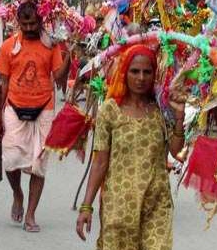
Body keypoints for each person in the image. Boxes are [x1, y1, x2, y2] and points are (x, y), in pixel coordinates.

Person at [76, 44, 188, 249]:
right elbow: (100, 162)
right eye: (134, 71)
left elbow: (175, 151)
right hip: (119, 205)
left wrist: (179, 117)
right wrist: (86, 206)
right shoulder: (110, 110)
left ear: (154, 74)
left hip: (156, 203)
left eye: (147, 72)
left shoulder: (161, 109)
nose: (141, 78)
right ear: (124, 72)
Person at [0, 1, 70, 232]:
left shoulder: (52, 46)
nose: (28, 28)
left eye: (33, 23)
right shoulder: (8, 46)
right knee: (10, 160)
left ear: (40, 22)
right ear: (18, 22)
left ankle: (30, 214)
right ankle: (17, 193)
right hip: (14, 107)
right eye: (24, 23)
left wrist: (71, 54)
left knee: (39, 165)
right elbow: (3, 83)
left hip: (44, 109)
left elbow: (59, 78)